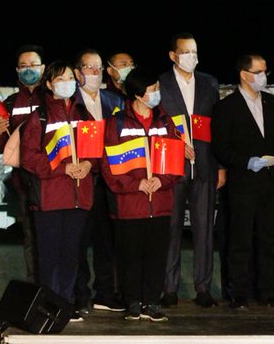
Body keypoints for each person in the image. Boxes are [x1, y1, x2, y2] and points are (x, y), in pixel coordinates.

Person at [211, 53, 274, 309]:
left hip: (271, 182)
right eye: (258, 72)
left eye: (265, 71)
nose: (263, 76)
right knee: (240, 239)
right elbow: (220, 147)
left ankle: (268, 290)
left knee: (269, 239)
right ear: (244, 75)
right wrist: (246, 161)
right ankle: (239, 291)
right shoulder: (227, 106)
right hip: (243, 183)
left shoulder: (272, 102)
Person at [101, 67, 181, 322]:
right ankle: (133, 301)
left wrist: (162, 180)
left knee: (156, 255)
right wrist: (135, 185)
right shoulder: (118, 123)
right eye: (153, 89)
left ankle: (152, 302)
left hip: (160, 202)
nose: (158, 93)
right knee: (130, 255)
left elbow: (176, 160)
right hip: (130, 204)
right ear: (137, 94)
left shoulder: (165, 122)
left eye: (157, 88)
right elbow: (110, 165)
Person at [20, 60, 96, 322]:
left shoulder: (84, 115)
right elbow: (29, 158)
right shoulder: (39, 117)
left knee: (71, 254)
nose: (67, 84)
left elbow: (95, 152)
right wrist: (62, 169)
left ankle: (65, 303)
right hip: (50, 197)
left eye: (70, 78)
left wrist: (87, 163)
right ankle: (48, 305)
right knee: (49, 255)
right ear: (50, 84)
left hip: (79, 196)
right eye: (60, 79)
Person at [159, 33, 225, 308]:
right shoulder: (161, 83)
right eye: (185, 52)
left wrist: (221, 167)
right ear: (173, 55)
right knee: (171, 230)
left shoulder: (210, 83)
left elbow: (217, 126)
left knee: (203, 230)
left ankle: (203, 288)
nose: (191, 57)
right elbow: (158, 124)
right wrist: (176, 146)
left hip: (206, 165)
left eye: (194, 52)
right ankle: (169, 288)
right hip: (173, 167)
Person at [71, 49, 125, 315]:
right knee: (79, 240)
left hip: (110, 180)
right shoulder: (69, 102)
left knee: (107, 240)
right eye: (88, 67)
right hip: (81, 180)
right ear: (78, 72)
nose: (94, 72)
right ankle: (79, 294)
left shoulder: (114, 99)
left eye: (98, 67)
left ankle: (105, 292)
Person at [0, 44, 46, 285]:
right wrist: (0, 132)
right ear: (17, 70)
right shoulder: (11, 103)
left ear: (43, 68)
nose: (28, 70)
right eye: (23, 66)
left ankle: (65, 292)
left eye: (33, 65)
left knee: (58, 236)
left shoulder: (54, 98)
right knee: (31, 236)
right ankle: (36, 288)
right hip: (25, 182)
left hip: (55, 180)